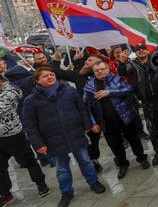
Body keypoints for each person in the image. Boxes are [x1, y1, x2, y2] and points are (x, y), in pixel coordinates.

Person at [22, 67, 107, 207]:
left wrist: (87, 125)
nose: (50, 77)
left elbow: (82, 108)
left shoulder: (69, 91)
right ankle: (66, 192)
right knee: (61, 168)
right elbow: (29, 125)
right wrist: (38, 144)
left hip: (75, 133)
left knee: (85, 160)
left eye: (52, 74)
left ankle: (93, 181)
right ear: (37, 81)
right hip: (52, 139)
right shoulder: (30, 100)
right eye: (45, 76)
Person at [85, 61, 150, 179]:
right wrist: (93, 123)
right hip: (105, 121)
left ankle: (141, 158)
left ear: (107, 69)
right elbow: (87, 105)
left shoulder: (117, 79)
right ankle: (122, 164)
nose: (100, 72)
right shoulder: (89, 85)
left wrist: (109, 92)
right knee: (115, 144)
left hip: (124, 116)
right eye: (96, 70)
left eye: (102, 69)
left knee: (134, 139)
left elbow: (128, 89)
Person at [0, 76, 50, 205]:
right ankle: (5, 193)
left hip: (14, 136)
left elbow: (2, 108)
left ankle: (41, 184)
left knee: (28, 161)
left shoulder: (10, 91)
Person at [117, 43, 158, 166]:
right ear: (135, 52)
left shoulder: (155, 59)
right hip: (147, 101)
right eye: (138, 50)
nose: (141, 51)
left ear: (148, 50)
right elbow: (123, 72)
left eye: (143, 49)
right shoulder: (132, 64)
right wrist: (122, 62)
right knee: (152, 129)